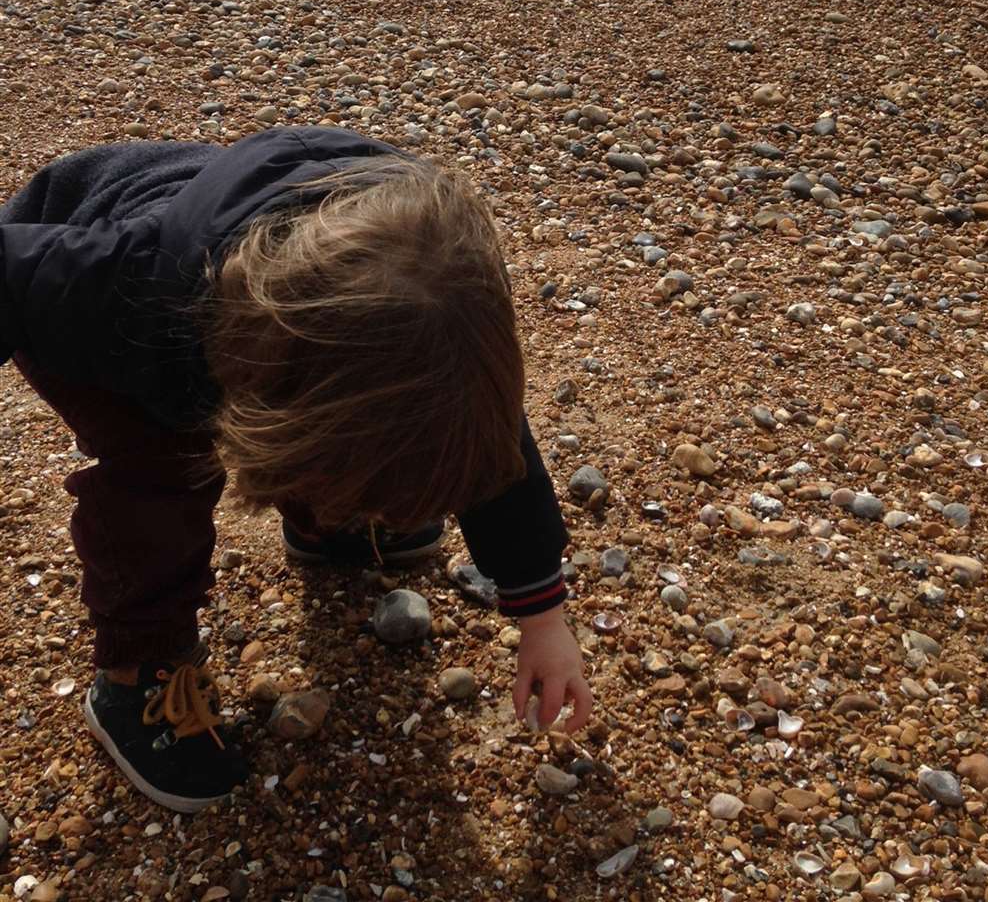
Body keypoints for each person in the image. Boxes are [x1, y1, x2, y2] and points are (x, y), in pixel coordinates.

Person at [0, 126, 592, 813]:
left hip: (273, 294)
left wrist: (543, 614)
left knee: (409, 430)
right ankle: (136, 671)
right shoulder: (116, 289)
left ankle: (327, 524)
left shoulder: (450, 328)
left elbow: (497, 461)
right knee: (161, 474)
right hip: (95, 301)